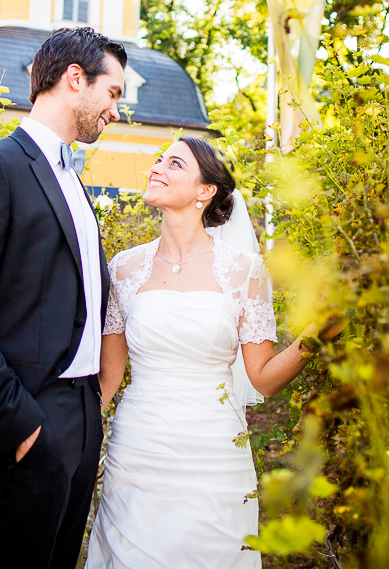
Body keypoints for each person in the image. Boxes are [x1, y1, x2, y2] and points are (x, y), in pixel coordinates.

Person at [0, 26, 126, 569]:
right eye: (113, 94)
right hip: (27, 417)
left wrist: (92, 409)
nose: (116, 111)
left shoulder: (75, 183)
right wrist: (21, 426)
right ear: (75, 79)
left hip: (81, 415)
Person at [85, 137, 322, 569]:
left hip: (213, 450)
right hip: (139, 449)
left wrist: (316, 335)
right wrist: (69, 438)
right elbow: (109, 378)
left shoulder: (244, 271)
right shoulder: (123, 268)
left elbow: (264, 378)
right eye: (158, 159)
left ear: (204, 191)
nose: (157, 166)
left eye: (174, 163)